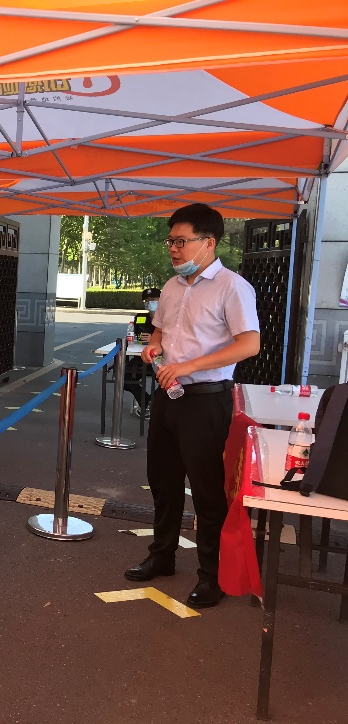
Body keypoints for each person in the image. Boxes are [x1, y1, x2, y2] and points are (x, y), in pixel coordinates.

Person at [124, 203, 260, 609]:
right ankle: (162, 555)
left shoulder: (233, 287)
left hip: (206, 400)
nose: (173, 249)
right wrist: (154, 347)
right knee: (164, 483)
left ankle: (211, 575)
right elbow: (160, 331)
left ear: (208, 243)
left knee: (206, 490)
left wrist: (189, 366)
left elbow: (249, 344)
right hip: (168, 398)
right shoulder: (171, 286)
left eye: (181, 242)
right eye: (171, 241)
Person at [125, 287, 161, 418]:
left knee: (166, 381)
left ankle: (152, 403)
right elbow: (134, 334)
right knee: (125, 377)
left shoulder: (169, 318)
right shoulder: (141, 318)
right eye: (147, 300)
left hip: (160, 358)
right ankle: (147, 402)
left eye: (154, 299)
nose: (150, 302)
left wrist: (155, 340)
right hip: (141, 356)